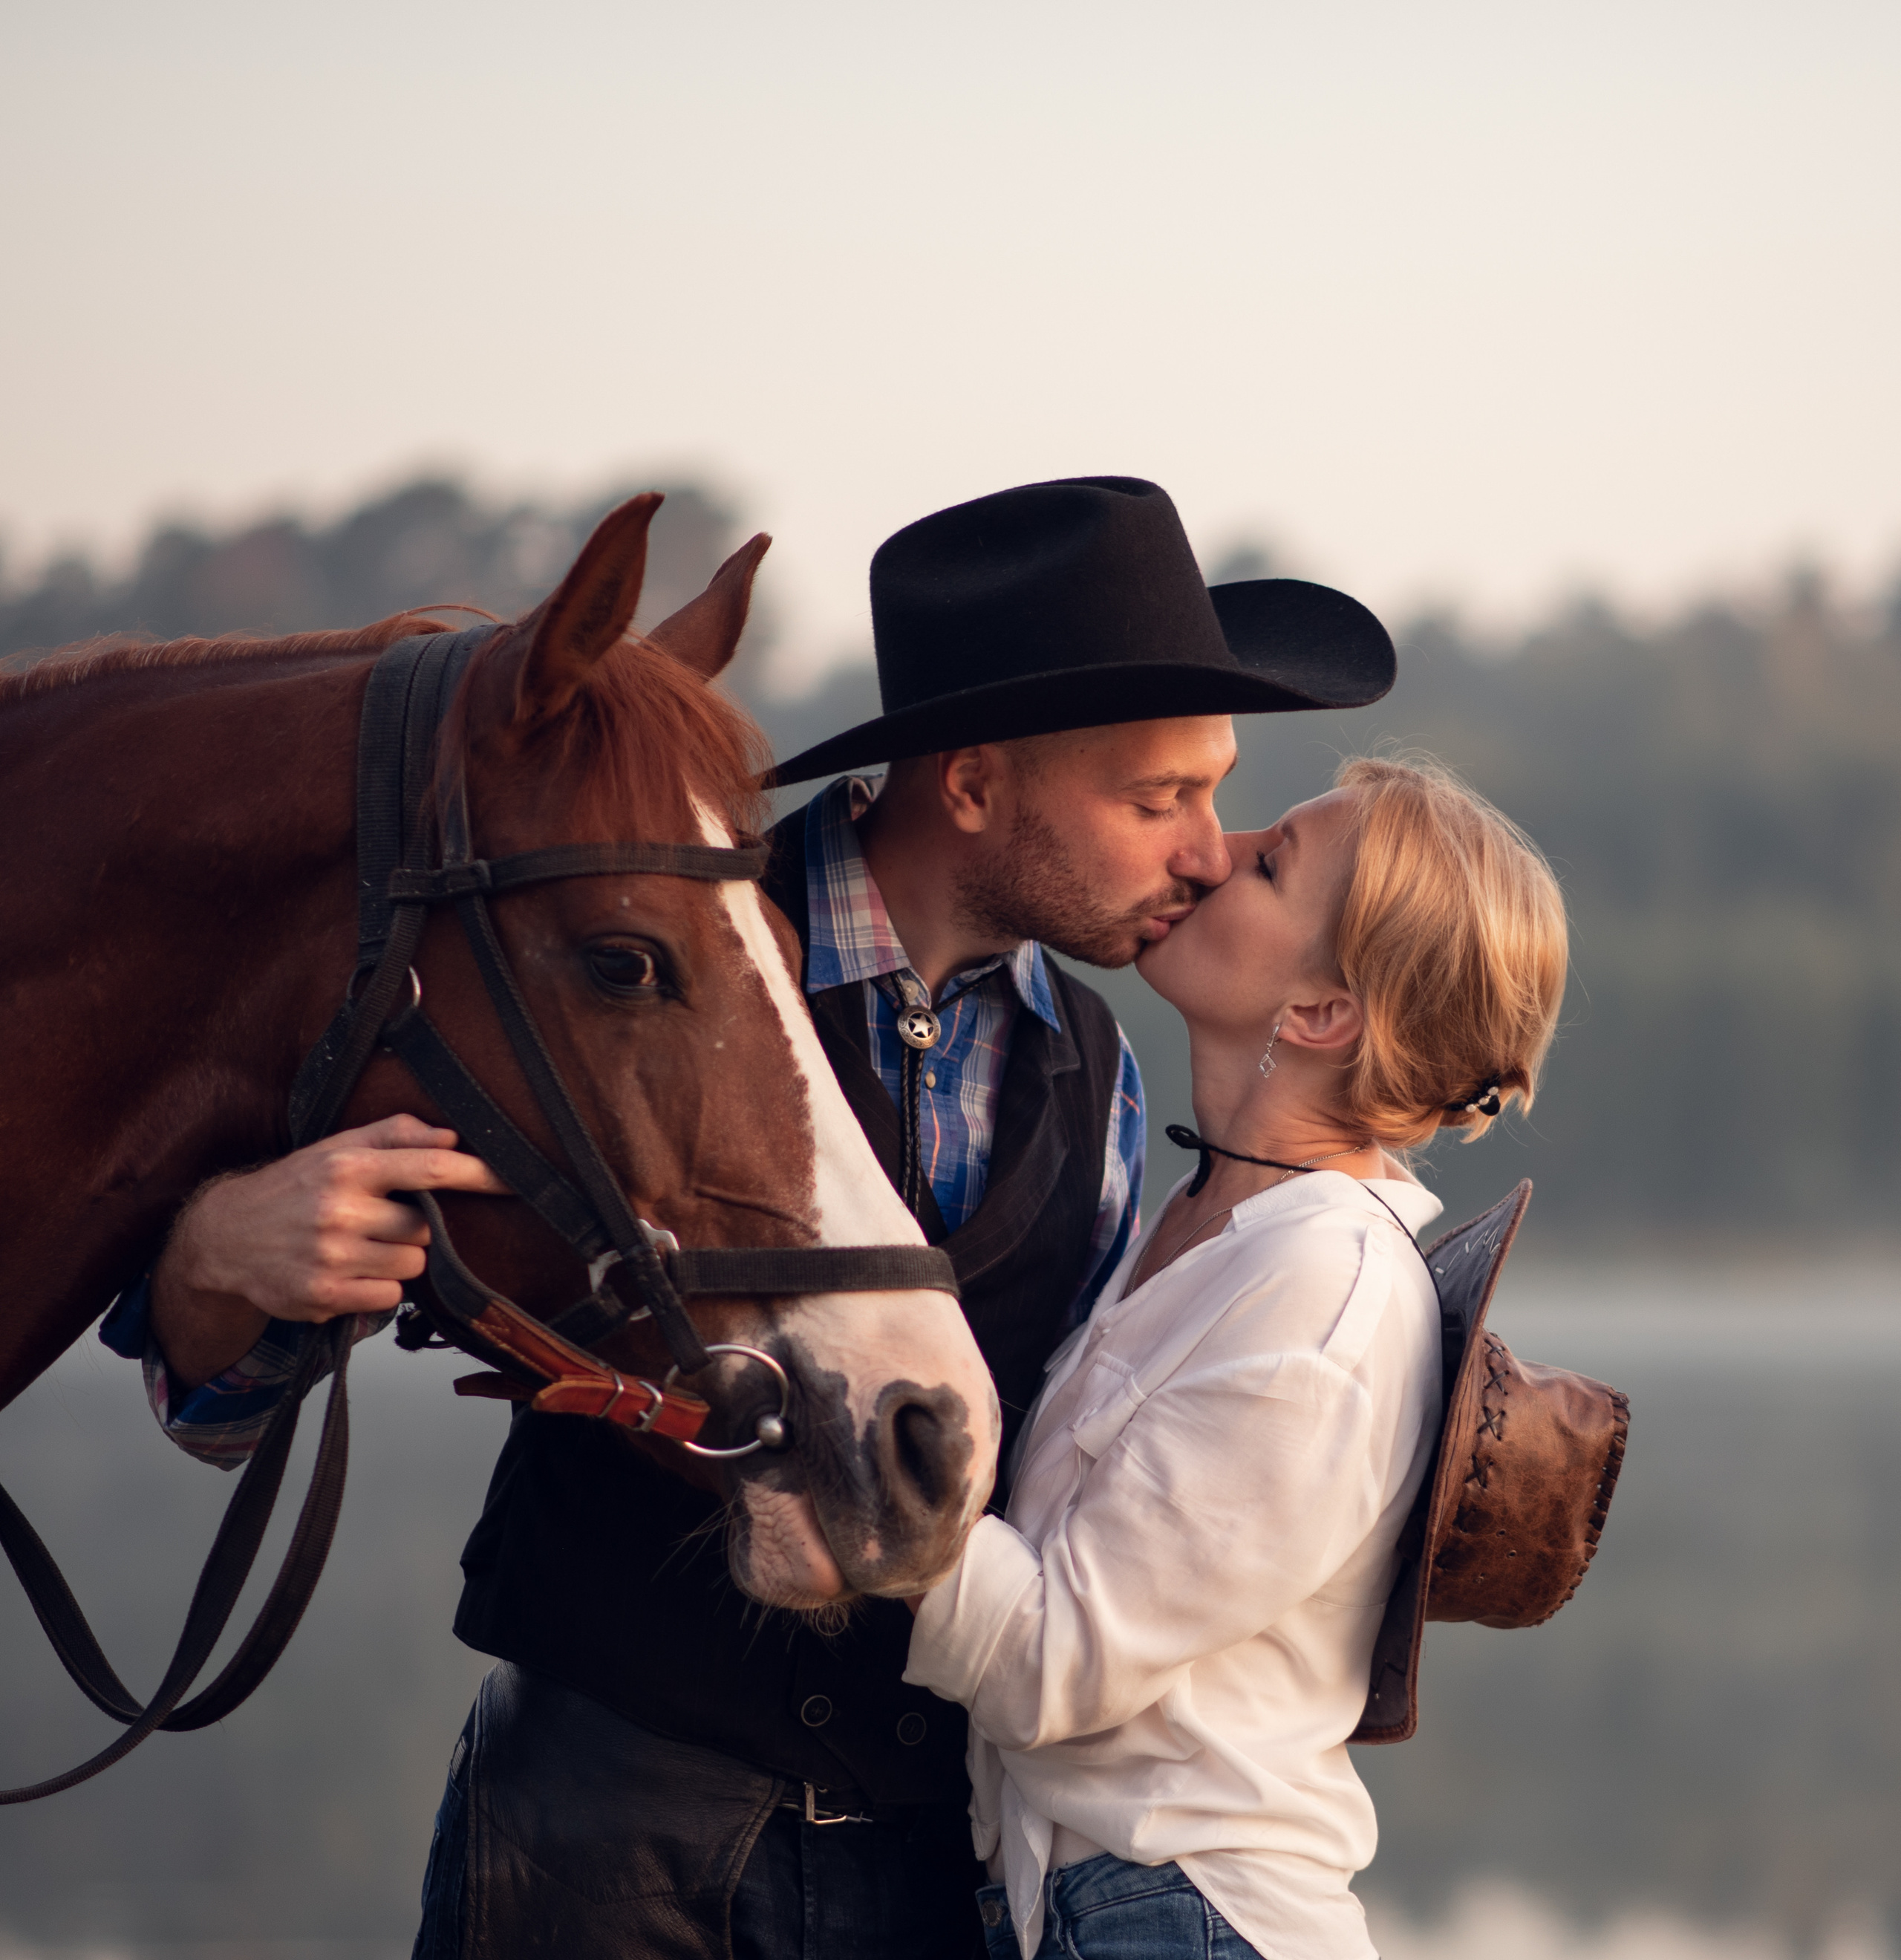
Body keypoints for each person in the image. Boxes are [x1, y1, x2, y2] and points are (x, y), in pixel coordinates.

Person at [100, 477, 1397, 1959]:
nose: (1205, 850)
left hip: (932, 1863)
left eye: (1214, 795)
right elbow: (220, 1403)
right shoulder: (620, 947)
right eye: (1158, 797)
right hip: (598, 1840)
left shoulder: (1094, 1074)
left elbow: (1080, 1486)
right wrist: (212, 1256)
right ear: (972, 786)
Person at [902, 756, 1569, 1960]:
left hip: (1183, 1920)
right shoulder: (1213, 1224)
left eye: (1269, 863)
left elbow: (1050, 1662)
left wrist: (839, 1435)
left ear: (1319, 1014)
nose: (1212, 851)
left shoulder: (1322, 1299)